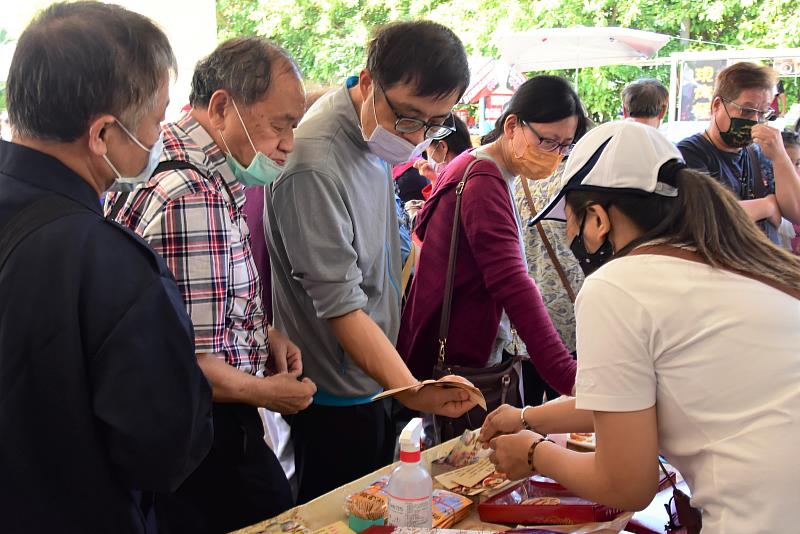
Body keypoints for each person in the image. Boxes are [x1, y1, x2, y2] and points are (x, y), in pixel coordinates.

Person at [481, 120, 800, 533]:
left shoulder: (617, 285)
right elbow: (623, 403)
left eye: (571, 224)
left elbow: (626, 484)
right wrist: (529, 417)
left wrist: (533, 453)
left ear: (598, 219)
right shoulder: (743, 263)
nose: (573, 236)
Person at [0, 3, 213, 533]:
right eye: (158, 118)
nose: (162, 135)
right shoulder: (110, 264)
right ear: (102, 135)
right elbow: (163, 451)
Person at [265, 21, 477, 503]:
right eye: (407, 117)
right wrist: (410, 389)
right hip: (335, 394)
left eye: (435, 122)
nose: (417, 135)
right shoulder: (314, 162)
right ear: (367, 81)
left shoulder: (375, 140)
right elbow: (341, 305)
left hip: (377, 377)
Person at [109, 37, 315, 533]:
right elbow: (193, 364)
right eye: (280, 125)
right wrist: (269, 393)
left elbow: (199, 305)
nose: (288, 143)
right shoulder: (190, 194)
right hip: (208, 441)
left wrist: (262, 334)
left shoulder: (199, 171)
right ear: (222, 107)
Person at [398, 76, 586, 412]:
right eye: (547, 141)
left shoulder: (474, 162)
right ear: (512, 124)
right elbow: (513, 284)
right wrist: (565, 374)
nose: (555, 155)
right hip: (462, 362)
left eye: (565, 145)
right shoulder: (484, 181)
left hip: (454, 348)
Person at [677, 62, 800, 245]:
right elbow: (705, 218)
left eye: (762, 113)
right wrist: (767, 205)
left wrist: (780, 156)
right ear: (717, 105)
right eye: (747, 111)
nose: (754, 121)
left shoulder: (760, 152)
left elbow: (796, 211)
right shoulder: (689, 153)